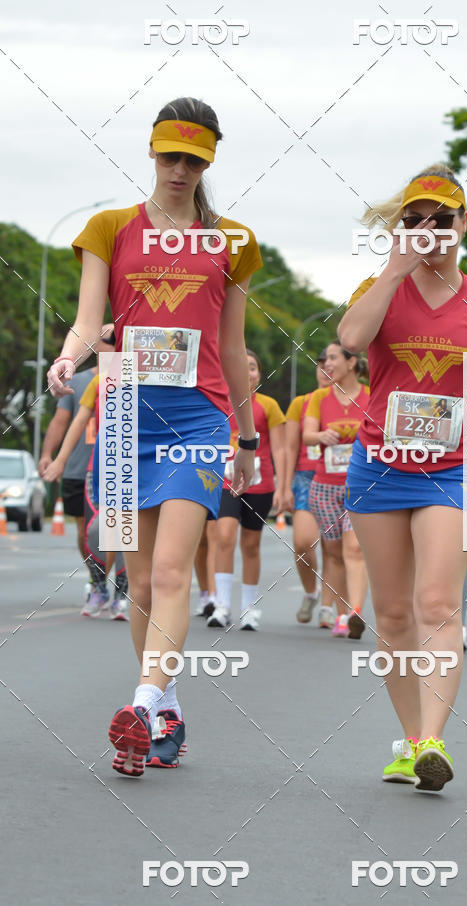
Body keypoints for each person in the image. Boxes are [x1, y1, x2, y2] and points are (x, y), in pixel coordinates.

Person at [47, 96, 262, 775]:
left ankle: (139, 705)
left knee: (172, 570)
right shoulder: (109, 229)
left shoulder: (232, 241)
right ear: (151, 151)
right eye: (170, 155)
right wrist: (66, 358)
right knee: (139, 584)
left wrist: (248, 438)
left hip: (198, 416)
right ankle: (165, 710)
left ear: (209, 161)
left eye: (193, 160)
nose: (179, 169)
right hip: (124, 417)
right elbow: (89, 320)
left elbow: (233, 347)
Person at [338, 163, 467, 791]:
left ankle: (434, 739)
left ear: (464, 224)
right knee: (395, 614)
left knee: (435, 602)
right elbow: (349, 339)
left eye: (442, 219)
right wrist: (394, 268)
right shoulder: (379, 288)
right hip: (378, 468)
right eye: (414, 219)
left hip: (456, 471)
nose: (429, 230)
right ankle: (408, 740)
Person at [43, 330, 130, 619]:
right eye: (109, 339)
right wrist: (58, 460)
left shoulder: (143, 381)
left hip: (130, 468)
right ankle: (98, 587)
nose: (114, 345)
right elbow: (76, 422)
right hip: (94, 469)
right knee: (93, 532)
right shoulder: (94, 382)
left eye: (120, 340)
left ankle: (122, 594)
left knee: (123, 531)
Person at [208, 349, 288, 631]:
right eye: (241, 366)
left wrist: (283, 486)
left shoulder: (268, 406)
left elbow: (279, 448)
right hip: (225, 483)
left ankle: (249, 608)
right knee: (225, 537)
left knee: (251, 545)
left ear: (258, 374)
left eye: (252, 367)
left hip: (259, 483)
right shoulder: (217, 401)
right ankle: (222, 606)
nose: (246, 372)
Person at [303, 341, 370, 640]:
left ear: (351, 362)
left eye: (332, 358)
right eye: (325, 359)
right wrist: (321, 435)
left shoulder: (372, 395)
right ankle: (340, 609)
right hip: (325, 486)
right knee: (333, 553)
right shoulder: (319, 397)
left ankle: (353, 612)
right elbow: (306, 435)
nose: (326, 364)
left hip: (360, 485)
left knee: (354, 549)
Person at [40, 354, 102, 603]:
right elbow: (61, 421)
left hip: (119, 469)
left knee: (116, 530)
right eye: (107, 339)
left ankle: (121, 583)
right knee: (84, 531)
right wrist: (48, 454)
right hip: (79, 468)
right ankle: (97, 579)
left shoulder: (133, 380)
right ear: (97, 346)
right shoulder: (78, 382)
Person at [284, 350, 333, 625]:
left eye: (332, 364)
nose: (326, 369)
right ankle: (311, 592)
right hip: (306, 479)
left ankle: (327, 607)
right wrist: (284, 488)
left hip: (342, 481)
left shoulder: (355, 400)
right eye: (321, 365)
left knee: (334, 548)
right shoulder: (301, 403)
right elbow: (290, 447)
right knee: (303, 542)